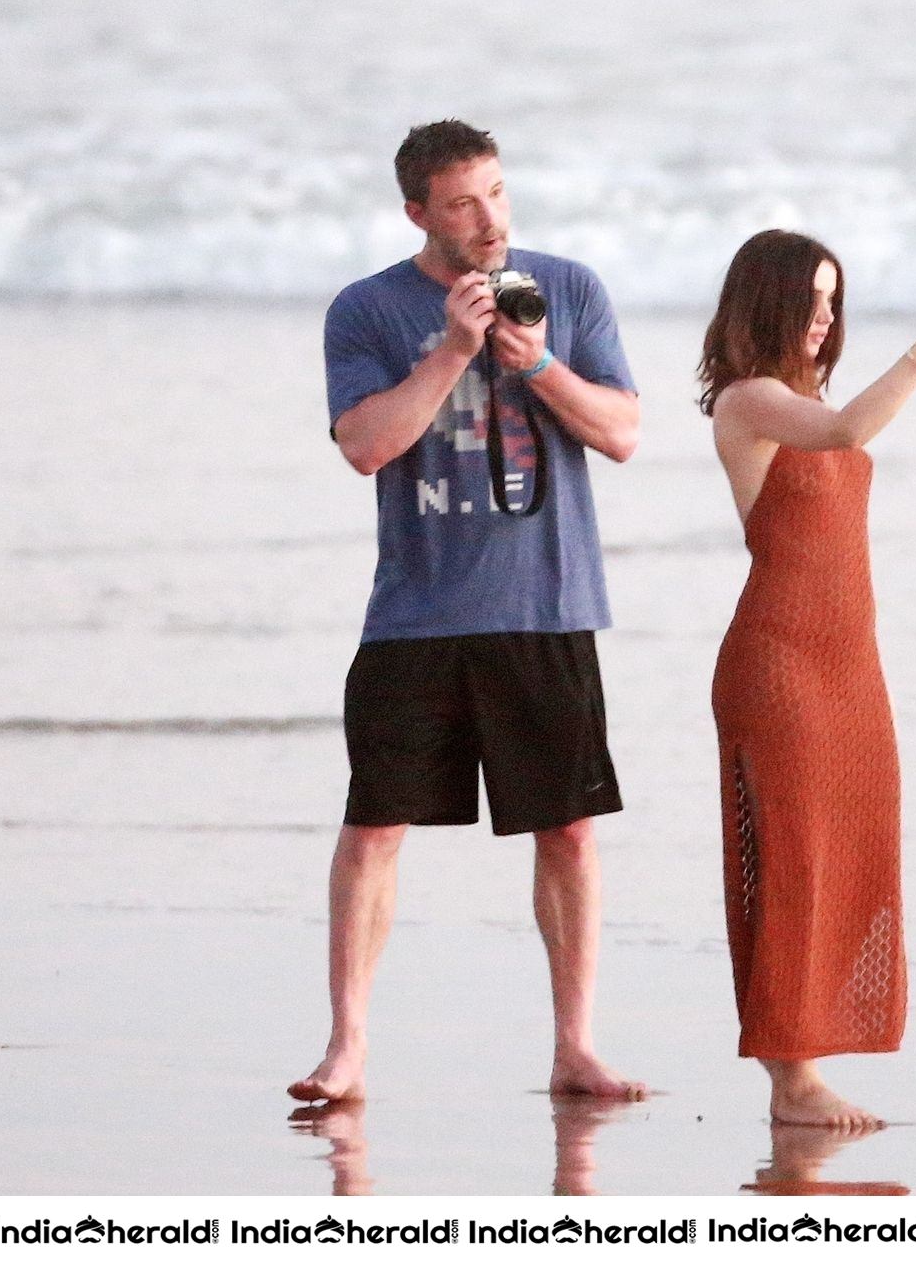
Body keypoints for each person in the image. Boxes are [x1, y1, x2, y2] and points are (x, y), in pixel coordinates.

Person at [290, 120, 645, 1104]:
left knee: (568, 830)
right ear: (417, 212)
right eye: (461, 202)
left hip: (546, 604)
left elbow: (623, 431)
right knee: (373, 827)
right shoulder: (365, 310)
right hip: (416, 614)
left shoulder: (568, 288)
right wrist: (453, 348)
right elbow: (365, 444)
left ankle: (575, 1044)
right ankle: (349, 1045)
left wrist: (533, 361)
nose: (488, 217)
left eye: (496, 191)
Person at [698, 229, 916, 1129]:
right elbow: (842, 431)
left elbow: (842, 424)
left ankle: (813, 1052)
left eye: (836, 300)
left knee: (854, 849)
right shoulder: (750, 403)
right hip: (779, 663)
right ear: (770, 304)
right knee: (791, 860)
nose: (828, 318)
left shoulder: (809, 397)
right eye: (813, 300)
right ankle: (793, 1080)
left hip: (849, 664)